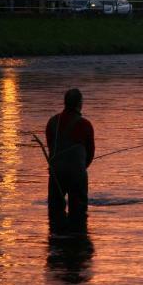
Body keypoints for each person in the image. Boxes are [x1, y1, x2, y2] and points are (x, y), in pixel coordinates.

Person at [46, 88, 95, 226]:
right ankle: (77, 241)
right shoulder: (85, 125)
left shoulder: (52, 122)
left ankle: (57, 243)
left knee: (54, 212)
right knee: (79, 213)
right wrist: (80, 167)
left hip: (56, 174)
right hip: (77, 174)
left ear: (65, 102)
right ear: (80, 103)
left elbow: (51, 148)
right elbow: (90, 153)